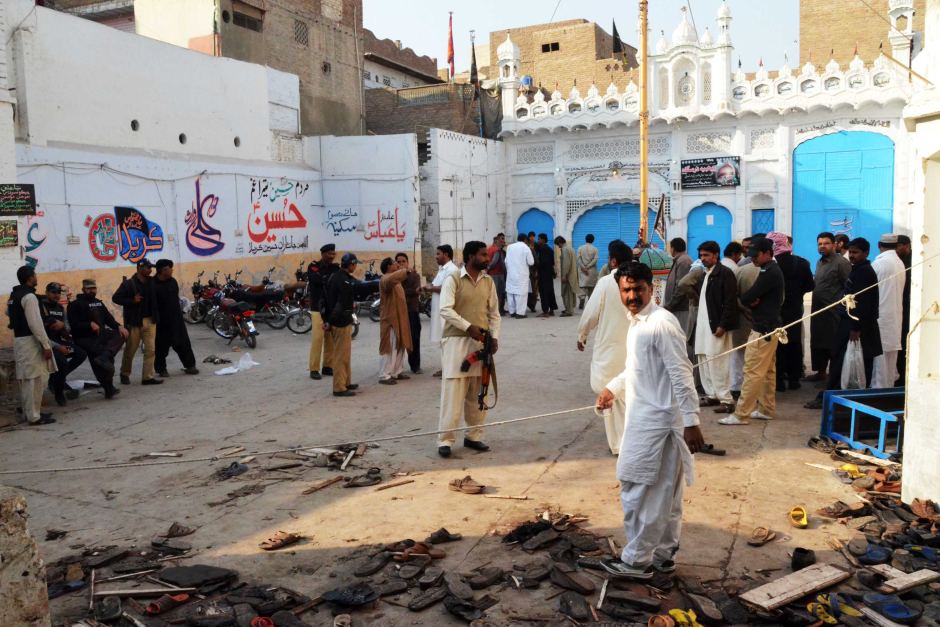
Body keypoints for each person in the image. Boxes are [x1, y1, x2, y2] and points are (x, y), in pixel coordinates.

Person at [595, 262, 704, 580]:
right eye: (626, 290)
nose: (631, 296)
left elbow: (682, 374)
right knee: (662, 493)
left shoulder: (661, 323)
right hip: (642, 419)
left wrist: (692, 420)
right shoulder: (638, 323)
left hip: (659, 424)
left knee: (642, 492)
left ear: (650, 288)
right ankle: (663, 555)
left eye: (637, 289)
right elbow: (636, 369)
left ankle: (636, 561)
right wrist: (612, 388)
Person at [437, 241, 501, 458]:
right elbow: (445, 310)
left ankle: (474, 436)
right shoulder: (453, 279)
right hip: (456, 342)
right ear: (471, 256)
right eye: (483, 255)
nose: (487, 258)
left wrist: (494, 338)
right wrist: (467, 327)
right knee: (453, 393)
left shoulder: (489, 281)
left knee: (478, 392)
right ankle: (445, 440)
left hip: (481, 343)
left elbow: (494, 314)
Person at [806, 238, 883, 408]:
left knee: (845, 362)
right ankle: (834, 397)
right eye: (852, 252)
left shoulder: (864, 272)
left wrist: (855, 327)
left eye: (856, 253)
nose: (853, 256)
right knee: (841, 361)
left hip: (855, 326)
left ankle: (832, 398)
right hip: (849, 323)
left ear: (866, 253)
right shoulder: (857, 270)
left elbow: (862, 303)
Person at [719, 237, 785, 426]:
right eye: (751, 255)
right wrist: (752, 299)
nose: (753, 259)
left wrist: (751, 300)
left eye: (756, 255)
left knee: (752, 372)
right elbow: (752, 297)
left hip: (763, 329)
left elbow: (749, 295)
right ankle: (766, 408)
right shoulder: (769, 269)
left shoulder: (769, 272)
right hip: (769, 327)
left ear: (767, 253)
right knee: (768, 371)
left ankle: (741, 414)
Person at [577, 240, 633, 454]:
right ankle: (630, 440)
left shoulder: (607, 282)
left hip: (610, 349)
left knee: (610, 393)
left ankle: (619, 445)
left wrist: (581, 335)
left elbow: (590, 314)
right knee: (629, 394)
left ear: (613, 261)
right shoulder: (639, 280)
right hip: (634, 348)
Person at [688, 241, 739, 413]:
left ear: (716, 255)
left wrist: (723, 325)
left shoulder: (725, 273)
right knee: (704, 359)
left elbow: (731, 302)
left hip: (716, 327)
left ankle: (726, 400)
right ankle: (712, 395)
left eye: (706, 255)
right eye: (701, 256)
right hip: (703, 327)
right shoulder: (705, 274)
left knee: (718, 362)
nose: (703, 259)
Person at [8, 266, 57, 424]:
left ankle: (30, 413)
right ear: (30, 278)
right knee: (33, 379)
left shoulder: (14, 295)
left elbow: (8, 313)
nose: (37, 277)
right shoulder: (29, 297)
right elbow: (35, 323)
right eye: (35, 275)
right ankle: (34, 417)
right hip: (30, 341)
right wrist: (45, 345)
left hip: (20, 340)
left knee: (27, 378)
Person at [768, 232, 814, 392]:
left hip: (776, 309)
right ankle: (794, 379)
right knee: (794, 342)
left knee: (777, 344)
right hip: (794, 309)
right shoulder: (802, 263)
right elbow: (810, 286)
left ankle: (778, 380)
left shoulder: (770, 264)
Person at [68, 279, 126, 399]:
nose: (91, 291)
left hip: (101, 336)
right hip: (85, 338)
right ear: (83, 289)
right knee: (100, 362)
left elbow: (109, 319)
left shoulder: (98, 303)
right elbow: (73, 325)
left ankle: (106, 358)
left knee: (120, 335)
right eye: (88, 288)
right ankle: (108, 388)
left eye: (93, 288)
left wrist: (119, 326)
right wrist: (89, 324)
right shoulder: (75, 304)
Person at [807, 232, 852, 383]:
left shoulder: (841, 263)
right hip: (818, 311)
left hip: (833, 313)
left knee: (832, 345)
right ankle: (821, 373)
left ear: (834, 245)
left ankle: (832, 379)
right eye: (820, 244)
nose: (822, 246)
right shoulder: (820, 262)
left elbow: (849, 287)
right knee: (819, 344)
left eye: (826, 243)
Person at [112, 258, 162, 386]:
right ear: (140, 268)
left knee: (150, 350)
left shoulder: (152, 282)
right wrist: (132, 301)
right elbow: (116, 298)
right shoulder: (129, 284)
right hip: (134, 322)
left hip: (150, 320)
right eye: (148, 267)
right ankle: (124, 373)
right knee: (130, 350)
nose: (150, 270)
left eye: (151, 268)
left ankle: (147, 377)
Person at [40, 282, 86, 406]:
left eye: (58, 293)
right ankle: (58, 393)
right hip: (46, 344)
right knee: (62, 363)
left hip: (59, 341)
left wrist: (63, 328)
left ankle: (56, 379)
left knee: (81, 354)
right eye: (53, 292)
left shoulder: (60, 308)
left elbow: (67, 327)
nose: (56, 295)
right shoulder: (41, 306)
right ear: (46, 292)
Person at [322, 253, 361, 397]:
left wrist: (327, 319)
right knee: (340, 356)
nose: (355, 267)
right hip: (340, 321)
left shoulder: (337, 276)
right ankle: (339, 387)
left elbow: (326, 299)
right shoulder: (343, 281)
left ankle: (346, 382)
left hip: (339, 320)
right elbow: (339, 305)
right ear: (351, 264)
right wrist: (329, 321)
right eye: (355, 264)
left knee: (345, 354)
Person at [153, 260, 198, 378]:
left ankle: (190, 365)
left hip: (176, 319)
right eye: (170, 268)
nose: (172, 270)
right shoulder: (152, 285)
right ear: (163, 271)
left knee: (183, 343)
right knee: (161, 347)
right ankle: (161, 369)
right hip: (161, 322)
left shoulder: (172, 282)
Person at [871, 234, 905, 388]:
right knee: (890, 363)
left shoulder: (879, 264)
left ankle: (879, 397)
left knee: (880, 364)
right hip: (894, 319)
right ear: (897, 246)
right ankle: (887, 392)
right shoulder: (899, 263)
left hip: (881, 319)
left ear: (879, 245)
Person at [378, 256, 412, 384]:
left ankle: (396, 372)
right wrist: (405, 271)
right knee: (389, 347)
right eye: (394, 263)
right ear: (388, 267)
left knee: (400, 346)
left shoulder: (396, 281)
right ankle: (384, 375)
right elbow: (392, 279)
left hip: (400, 319)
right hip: (390, 320)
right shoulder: (386, 279)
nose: (397, 264)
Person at [307, 244, 338, 380]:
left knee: (330, 339)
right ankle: (314, 369)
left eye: (333, 254)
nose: (331, 256)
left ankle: (327, 366)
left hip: (331, 308)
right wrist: (328, 279)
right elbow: (316, 280)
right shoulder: (313, 266)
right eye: (329, 254)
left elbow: (334, 282)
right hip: (317, 308)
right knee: (318, 339)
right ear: (322, 254)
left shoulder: (335, 267)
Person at [426, 244, 458, 345]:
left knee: (449, 340)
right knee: (443, 341)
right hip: (439, 310)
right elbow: (435, 284)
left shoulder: (452, 269)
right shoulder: (442, 269)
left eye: (438, 254)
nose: (436, 256)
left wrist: (430, 288)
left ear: (446, 254)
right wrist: (425, 287)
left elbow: (446, 288)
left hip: (447, 311)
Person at [396, 252, 423, 374]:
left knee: (414, 339)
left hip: (412, 311)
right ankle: (397, 368)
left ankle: (415, 366)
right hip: (398, 312)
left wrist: (402, 290)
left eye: (403, 261)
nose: (401, 264)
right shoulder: (394, 277)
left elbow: (416, 291)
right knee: (398, 340)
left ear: (407, 263)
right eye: (399, 262)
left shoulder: (414, 276)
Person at [663, 238, 694, 335]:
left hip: (681, 308)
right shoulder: (680, 260)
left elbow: (681, 287)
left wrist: (671, 305)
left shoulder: (683, 261)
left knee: (680, 336)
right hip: (677, 308)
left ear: (673, 248)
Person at [505, 234, 535, 318]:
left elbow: (506, 261)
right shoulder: (525, 248)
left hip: (511, 274)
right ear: (525, 240)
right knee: (521, 294)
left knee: (511, 293)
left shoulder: (510, 247)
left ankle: (512, 312)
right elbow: (531, 262)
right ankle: (520, 313)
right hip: (522, 275)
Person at [896, 234, 912, 384]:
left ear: (906, 245)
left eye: (898, 246)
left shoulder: (912, 262)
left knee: (905, 343)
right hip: (900, 307)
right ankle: (902, 376)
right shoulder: (898, 261)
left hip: (908, 309)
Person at [555, 235, 579, 317]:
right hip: (573, 274)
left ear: (560, 243)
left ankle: (569, 311)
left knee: (566, 293)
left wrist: (564, 275)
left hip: (568, 275)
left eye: (558, 244)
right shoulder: (571, 249)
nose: (558, 246)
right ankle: (570, 308)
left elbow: (566, 264)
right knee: (571, 293)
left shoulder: (565, 250)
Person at [535, 233, 558, 317]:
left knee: (543, 292)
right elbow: (552, 262)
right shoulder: (549, 249)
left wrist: (537, 267)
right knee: (550, 291)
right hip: (549, 274)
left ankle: (545, 311)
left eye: (539, 239)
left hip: (543, 274)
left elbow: (543, 262)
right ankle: (552, 309)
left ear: (543, 240)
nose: (538, 241)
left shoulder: (542, 249)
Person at [487, 234, 507, 316]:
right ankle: (498, 310)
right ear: (497, 241)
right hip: (498, 274)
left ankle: (498, 309)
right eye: (501, 240)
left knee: (494, 292)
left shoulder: (489, 249)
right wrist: (488, 268)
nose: (503, 242)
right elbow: (495, 262)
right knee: (499, 292)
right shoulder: (496, 250)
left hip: (492, 274)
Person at [577, 234, 599, 308]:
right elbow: (595, 259)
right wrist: (588, 266)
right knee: (591, 287)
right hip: (591, 271)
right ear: (593, 240)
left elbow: (578, 259)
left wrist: (583, 267)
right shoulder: (595, 249)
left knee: (582, 287)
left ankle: (582, 301)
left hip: (582, 271)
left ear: (585, 239)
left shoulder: (580, 248)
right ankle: (590, 304)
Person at [527, 232, 539, 312]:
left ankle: (532, 305)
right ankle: (529, 304)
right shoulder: (526, 246)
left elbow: (537, 258)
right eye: (531, 237)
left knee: (534, 289)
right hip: (527, 271)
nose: (532, 238)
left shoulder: (536, 245)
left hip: (533, 271)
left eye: (533, 236)